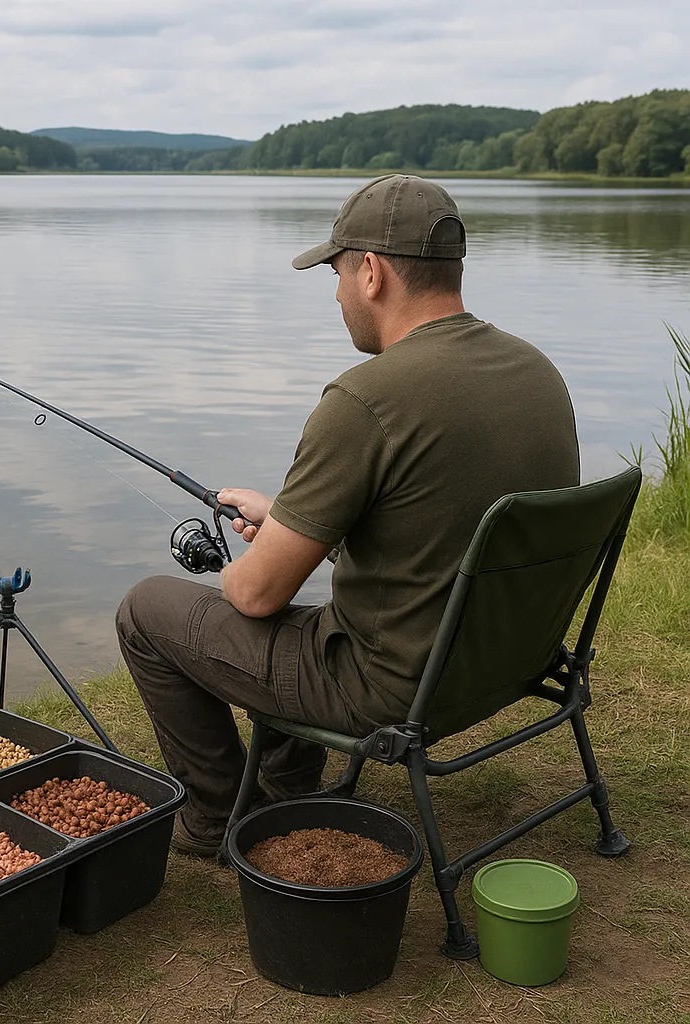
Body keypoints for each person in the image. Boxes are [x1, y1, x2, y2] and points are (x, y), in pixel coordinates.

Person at [115, 174, 580, 857]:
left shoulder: (366, 399)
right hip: (507, 660)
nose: (335, 295)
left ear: (371, 273)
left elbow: (254, 593)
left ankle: (214, 820)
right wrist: (288, 519)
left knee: (147, 609)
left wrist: (268, 551)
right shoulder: (534, 369)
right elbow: (434, 532)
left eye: (335, 273)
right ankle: (288, 791)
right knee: (293, 615)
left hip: (395, 689)